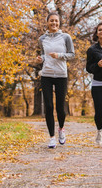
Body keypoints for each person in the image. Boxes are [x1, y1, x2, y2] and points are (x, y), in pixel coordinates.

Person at [36, 12, 75, 148]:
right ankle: (52, 137)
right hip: (46, 74)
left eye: (56, 21)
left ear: (59, 23)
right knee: (48, 106)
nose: (54, 23)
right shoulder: (42, 39)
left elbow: (72, 54)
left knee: (60, 108)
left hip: (61, 75)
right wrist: (42, 58)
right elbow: (43, 54)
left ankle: (61, 129)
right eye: (51, 21)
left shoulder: (65, 37)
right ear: (47, 22)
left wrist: (59, 55)